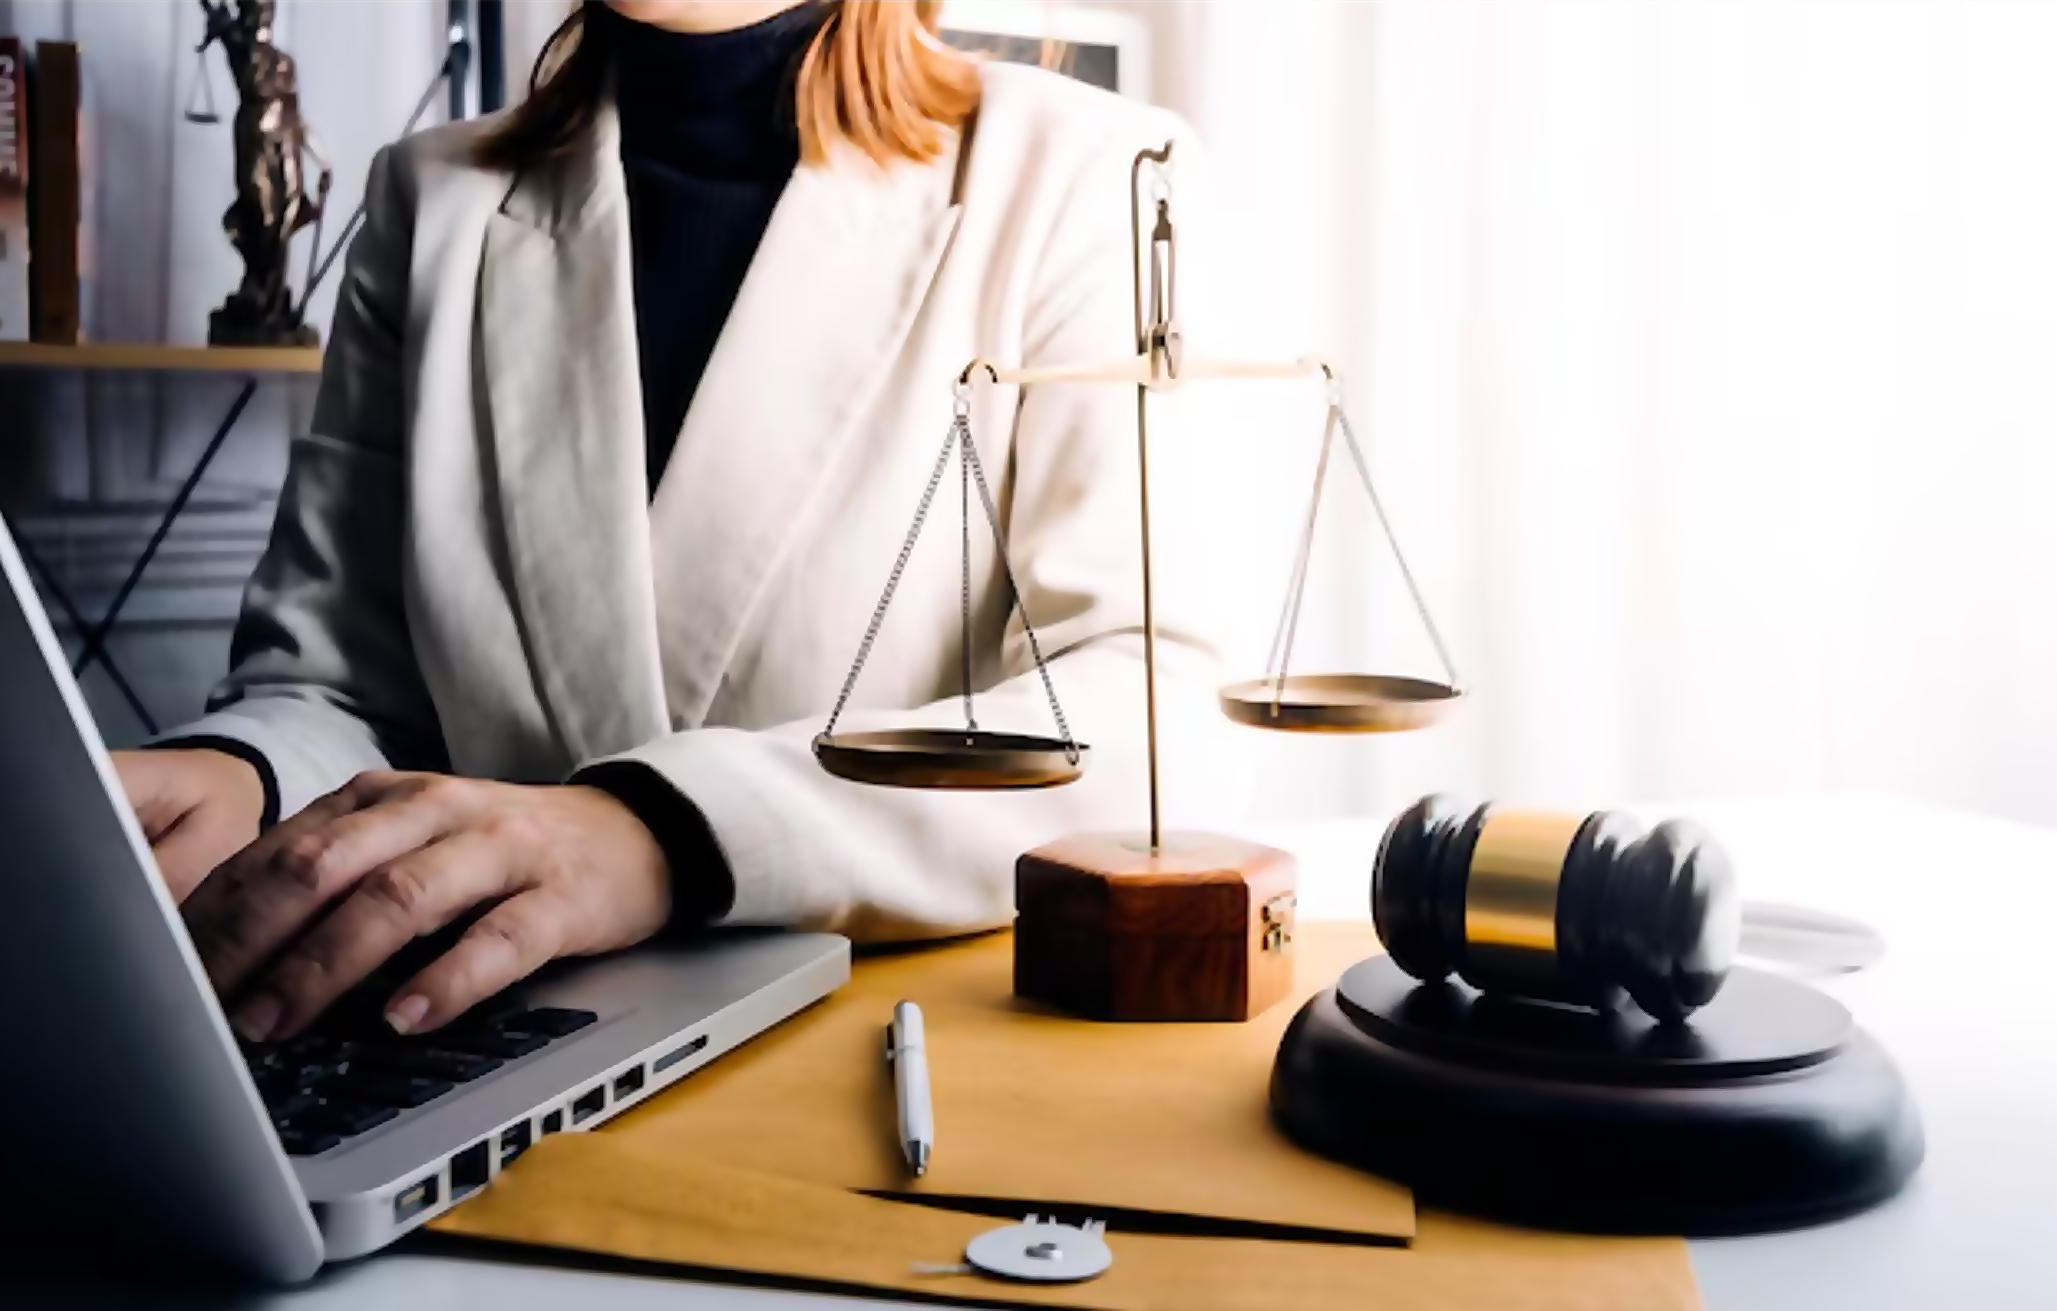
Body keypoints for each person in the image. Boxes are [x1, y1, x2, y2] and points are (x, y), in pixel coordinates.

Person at [113, 0, 1232, 1048]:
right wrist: (247, 777)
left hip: (887, 1063)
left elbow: (1145, 716)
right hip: (468, 1054)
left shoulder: (1089, 174)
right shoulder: (431, 200)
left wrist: (659, 834)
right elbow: (340, 689)